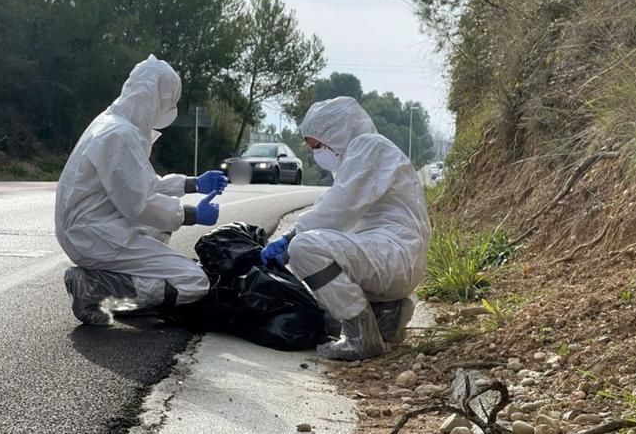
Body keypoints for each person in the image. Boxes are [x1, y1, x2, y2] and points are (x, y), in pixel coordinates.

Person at [55, 55, 228, 326]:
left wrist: (192, 183)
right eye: (168, 103)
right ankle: (96, 286)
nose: (169, 110)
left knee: (160, 228)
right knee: (194, 281)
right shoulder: (118, 135)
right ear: (154, 98)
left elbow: (139, 185)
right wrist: (191, 214)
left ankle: (113, 282)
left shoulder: (114, 124)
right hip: (94, 234)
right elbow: (142, 203)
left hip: (92, 227)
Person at [261, 96, 431, 360]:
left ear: (337, 133)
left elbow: (338, 208)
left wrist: (292, 235)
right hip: (393, 256)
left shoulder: (369, 147)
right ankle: (387, 316)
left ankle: (361, 336)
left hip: (395, 255)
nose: (317, 154)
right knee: (325, 287)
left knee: (305, 249)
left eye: (319, 146)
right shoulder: (363, 155)